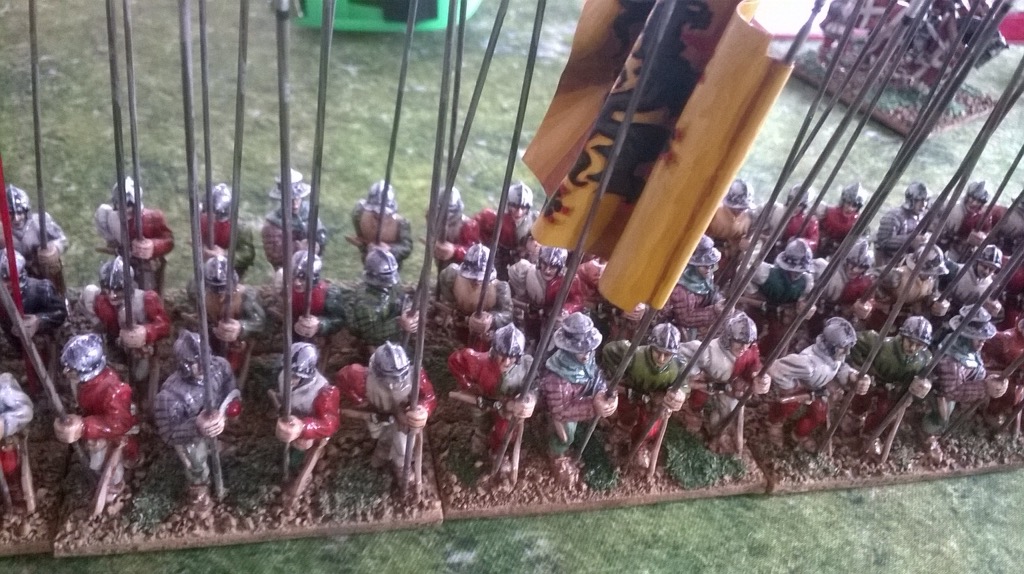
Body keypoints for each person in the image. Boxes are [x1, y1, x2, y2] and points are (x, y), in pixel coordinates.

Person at [154, 331, 242, 510]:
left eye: (205, 359)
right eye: (195, 362)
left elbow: (230, 390)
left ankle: (214, 446)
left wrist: (227, 409)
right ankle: (198, 484)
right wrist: (196, 426)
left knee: (214, 438)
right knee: (195, 460)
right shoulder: (170, 396)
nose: (203, 366)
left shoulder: (220, 367)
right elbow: (169, 433)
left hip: (217, 420)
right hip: (189, 435)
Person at [292, 249, 418, 361]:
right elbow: (372, 334)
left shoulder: (393, 288)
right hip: (376, 345)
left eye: (302, 278)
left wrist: (408, 312)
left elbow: (403, 299)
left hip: (394, 341)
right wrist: (399, 324)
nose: (297, 283)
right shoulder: (365, 302)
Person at [335, 342, 436, 482]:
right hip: (378, 413)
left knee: (403, 446)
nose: (394, 384)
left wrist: (423, 409)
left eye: (399, 377)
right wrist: (358, 399)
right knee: (382, 436)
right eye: (390, 378)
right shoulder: (360, 376)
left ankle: (400, 466)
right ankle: (382, 453)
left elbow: (429, 397)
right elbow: (342, 378)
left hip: (404, 418)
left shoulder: (416, 376)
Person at [54, 334, 137, 502]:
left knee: (106, 462)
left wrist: (84, 426)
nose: (66, 372)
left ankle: (115, 486)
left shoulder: (113, 391)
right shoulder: (85, 384)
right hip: (95, 425)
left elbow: (120, 423)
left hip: (111, 434)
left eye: (72, 369)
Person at [766, 318, 871, 451]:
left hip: (818, 391)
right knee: (785, 407)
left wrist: (851, 375)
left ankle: (800, 434)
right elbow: (776, 369)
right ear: (831, 346)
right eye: (843, 349)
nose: (847, 352)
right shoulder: (809, 364)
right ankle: (775, 423)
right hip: (800, 389)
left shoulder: (836, 357)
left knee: (819, 414)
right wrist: (792, 387)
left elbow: (840, 367)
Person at [538, 313, 617, 485]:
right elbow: (561, 410)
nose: (586, 355)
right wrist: (593, 407)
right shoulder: (557, 377)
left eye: (588, 349)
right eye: (580, 350)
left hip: (581, 399)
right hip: (558, 412)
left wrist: (603, 394)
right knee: (565, 435)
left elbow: (596, 376)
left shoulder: (587, 360)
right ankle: (557, 454)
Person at [921, 306, 1007, 462]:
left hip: (963, 385)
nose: (983, 342)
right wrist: (984, 387)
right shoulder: (950, 360)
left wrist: (991, 379)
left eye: (983, 338)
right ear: (966, 337)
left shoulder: (971, 350)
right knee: (942, 416)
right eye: (978, 338)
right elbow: (951, 391)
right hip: (939, 391)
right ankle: (929, 434)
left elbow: (977, 368)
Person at [679, 313, 770, 452]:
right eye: (739, 342)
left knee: (729, 413)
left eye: (747, 343)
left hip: (729, 387)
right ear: (728, 337)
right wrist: (695, 375)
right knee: (698, 399)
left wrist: (759, 378)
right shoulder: (710, 351)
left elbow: (754, 367)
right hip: (706, 383)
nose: (743, 347)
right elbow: (682, 354)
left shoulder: (750, 351)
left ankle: (717, 431)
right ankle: (693, 411)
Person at [447, 324, 535, 466]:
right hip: (481, 401)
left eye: (512, 357)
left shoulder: (526, 366)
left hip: (507, 407)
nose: (506, 362)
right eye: (502, 356)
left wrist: (530, 398)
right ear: (494, 351)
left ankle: (495, 451)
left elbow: (535, 384)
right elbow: (454, 361)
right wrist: (467, 385)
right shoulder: (478, 361)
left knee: (504, 431)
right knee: (482, 424)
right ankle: (479, 441)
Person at [602, 323, 689, 467]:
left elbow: (684, 384)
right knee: (627, 414)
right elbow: (609, 350)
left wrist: (680, 393)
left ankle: (639, 444)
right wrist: (617, 373)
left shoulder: (678, 365)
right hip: (631, 393)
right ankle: (622, 429)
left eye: (667, 354)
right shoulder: (635, 354)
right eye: (658, 352)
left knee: (650, 426)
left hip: (655, 401)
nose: (661, 358)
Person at [844, 316, 933, 453]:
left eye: (919, 345)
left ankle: (869, 434)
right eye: (910, 342)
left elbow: (927, 376)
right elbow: (855, 342)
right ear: (902, 336)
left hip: (893, 390)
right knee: (861, 396)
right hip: (872, 380)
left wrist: (925, 384)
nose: (913, 348)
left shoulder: (924, 359)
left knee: (883, 410)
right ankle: (855, 416)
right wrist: (861, 369)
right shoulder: (881, 343)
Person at [80, 256, 172, 386]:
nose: (112, 295)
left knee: (139, 375)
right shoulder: (99, 299)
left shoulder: (146, 299)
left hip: (138, 347)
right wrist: (96, 323)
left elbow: (165, 325)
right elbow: (84, 308)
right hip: (112, 342)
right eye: (107, 289)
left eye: (118, 289)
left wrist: (146, 332)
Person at [0, 250, 67, 393]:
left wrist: (39, 320)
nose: (4, 285)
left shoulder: (41, 289)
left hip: (40, 336)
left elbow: (60, 313)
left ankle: (43, 375)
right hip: (14, 335)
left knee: (40, 348)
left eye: (7, 280)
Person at [94, 176, 175, 292]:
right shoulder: (112, 217)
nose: (126, 210)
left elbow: (169, 241)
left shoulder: (153, 217)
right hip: (123, 264)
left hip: (146, 266)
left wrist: (152, 246)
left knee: (147, 292)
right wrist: (116, 246)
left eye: (129, 205)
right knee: (120, 289)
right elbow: (115, 243)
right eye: (121, 205)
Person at [273, 343, 341, 474]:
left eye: (295, 376)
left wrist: (303, 428)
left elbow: (329, 424)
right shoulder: (283, 376)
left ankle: (295, 463)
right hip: (290, 416)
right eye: (288, 373)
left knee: (302, 444)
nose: (290, 379)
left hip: (309, 425)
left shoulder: (323, 392)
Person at [196, 255, 266, 375]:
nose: (220, 297)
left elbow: (260, 322)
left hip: (237, 345)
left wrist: (241, 327)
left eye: (224, 290)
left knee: (231, 369)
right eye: (215, 291)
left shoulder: (246, 296)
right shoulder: (202, 295)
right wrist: (211, 328)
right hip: (213, 342)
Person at [435, 243, 514, 349]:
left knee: (480, 346)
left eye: (480, 278)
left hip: (483, 330)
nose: (476, 281)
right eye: (472, 277)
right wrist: (453, 303)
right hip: (461, 320)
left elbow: (507, 315)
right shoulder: (452, 274)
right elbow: (443, 282)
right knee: (461, 341)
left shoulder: (500, 288)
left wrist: (492, 319)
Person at [1, 183, 67, 291]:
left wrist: (55, 249)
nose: (16, 218)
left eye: (20, 212)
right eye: (10, 213)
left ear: (26, 210)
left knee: (53, 264)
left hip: (42, 272)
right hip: (14, 280)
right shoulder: (1, 231)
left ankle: (58, 294)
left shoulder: (39, 222)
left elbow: (62, 239)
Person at [261, 168, 328, 271]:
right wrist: (300, 247)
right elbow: (275, 255)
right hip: (286, 270)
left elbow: (320, 236)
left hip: (312, 266)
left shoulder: (309, 213)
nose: (295, 205)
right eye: (290, 200)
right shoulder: (273, 224)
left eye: (297, 199)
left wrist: (319, 241)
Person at [662, 235, 724, 341]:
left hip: (704, 317)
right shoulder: (681, 290)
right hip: (681, 326)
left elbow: (711, 291)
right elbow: (685, 319)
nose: (709, 270)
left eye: (711, 265)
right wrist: (713, 311)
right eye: (705, 266)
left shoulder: (706, 276)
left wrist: (719, 301)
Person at [474, 181, 539, 280]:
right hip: (496, 257)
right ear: (508, 205)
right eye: (515, 206)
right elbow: (475, 234)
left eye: (523, 207)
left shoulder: (535, 221)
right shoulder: (493, 218)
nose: (519, 212)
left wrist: (531, 248)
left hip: (521, 262)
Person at [348, 180, 414, 267]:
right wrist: (363, 245)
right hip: (368, 261)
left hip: (390, 265)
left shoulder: (401, 223)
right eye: (374, 213)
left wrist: (389, 250)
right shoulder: (359, 213)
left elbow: (406, 248)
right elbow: (360, 236)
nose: (379, 217)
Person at [199, 183, 257, 279]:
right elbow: (198, 240)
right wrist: (203, 250)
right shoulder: (203, 220)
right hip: (207, 268)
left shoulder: (239, 227)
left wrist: (224, 255)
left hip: (232, 271)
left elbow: (247, 254)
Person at [705, 179, 754, 283]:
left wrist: (744, 245)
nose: (740, 210)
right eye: (738, 208)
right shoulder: (714, 211)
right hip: (706, 253)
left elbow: (740, 241)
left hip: (726, 260)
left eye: (743, 208)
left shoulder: (746, 219)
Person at [934, 181, 994, 263]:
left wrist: (980, 239)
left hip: (960, 253)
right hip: (940, 245)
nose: (974, 203)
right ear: (968, 196)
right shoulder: (953, 208)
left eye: (979, 201)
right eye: (973, 198)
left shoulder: (984, 216)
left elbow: (986, 235)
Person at [874, 182, 930, 266]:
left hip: (908, 262)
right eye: (920, 200)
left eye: (925, 200)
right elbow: (883, 242)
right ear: (911, 200)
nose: (923, 204)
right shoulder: (893, 216)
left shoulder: (921, 217)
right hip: (888, 263)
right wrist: (910, 240)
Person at [0, 372, 33, 508]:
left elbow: (26, 411)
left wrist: (4, 424)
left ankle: (13, 488)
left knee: (9, 464)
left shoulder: (4, 388)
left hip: (5, 439)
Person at [433, 187, 481, 269]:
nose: (446, 215)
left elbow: (474, 254)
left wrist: (455, 251)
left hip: (461, 268)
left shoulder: (468, 225)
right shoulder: (434, 219)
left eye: (450, 211)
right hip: (441, 263)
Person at [816, 183, 865, 259]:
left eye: (854, 205)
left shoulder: (858, 223)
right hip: (818, 248)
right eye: (848, 203)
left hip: (837, 256)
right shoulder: (826, 211)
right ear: (843, 201)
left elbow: (856, 246)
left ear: (858, 207)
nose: (850, 208)